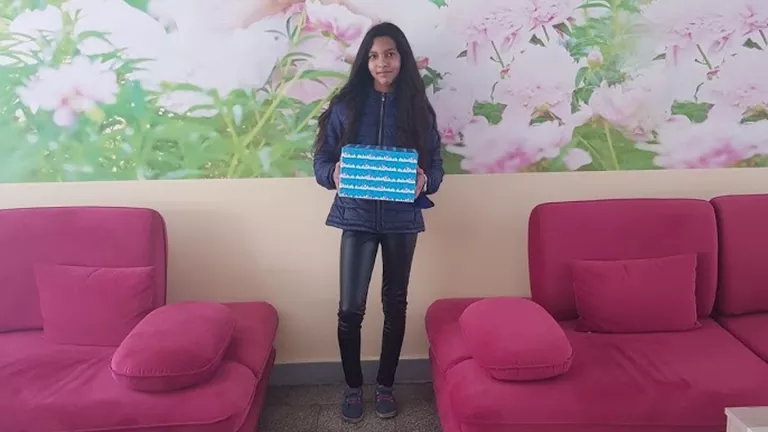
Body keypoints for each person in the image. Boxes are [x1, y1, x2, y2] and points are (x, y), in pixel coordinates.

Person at [311, 22, 444, 423]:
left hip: (403, 218)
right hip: (357, 217)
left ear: (401, 59)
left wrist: (427, 180)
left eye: (389, 54)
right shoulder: (346, 105)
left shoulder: (419, 108)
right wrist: (332, 174)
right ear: (363, 61)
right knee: (350, 308)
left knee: (395, 304)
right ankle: (353, 386)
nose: (381, 63)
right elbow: (321, 162)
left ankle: (385, 385)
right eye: (372, 55)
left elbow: (436, 166)